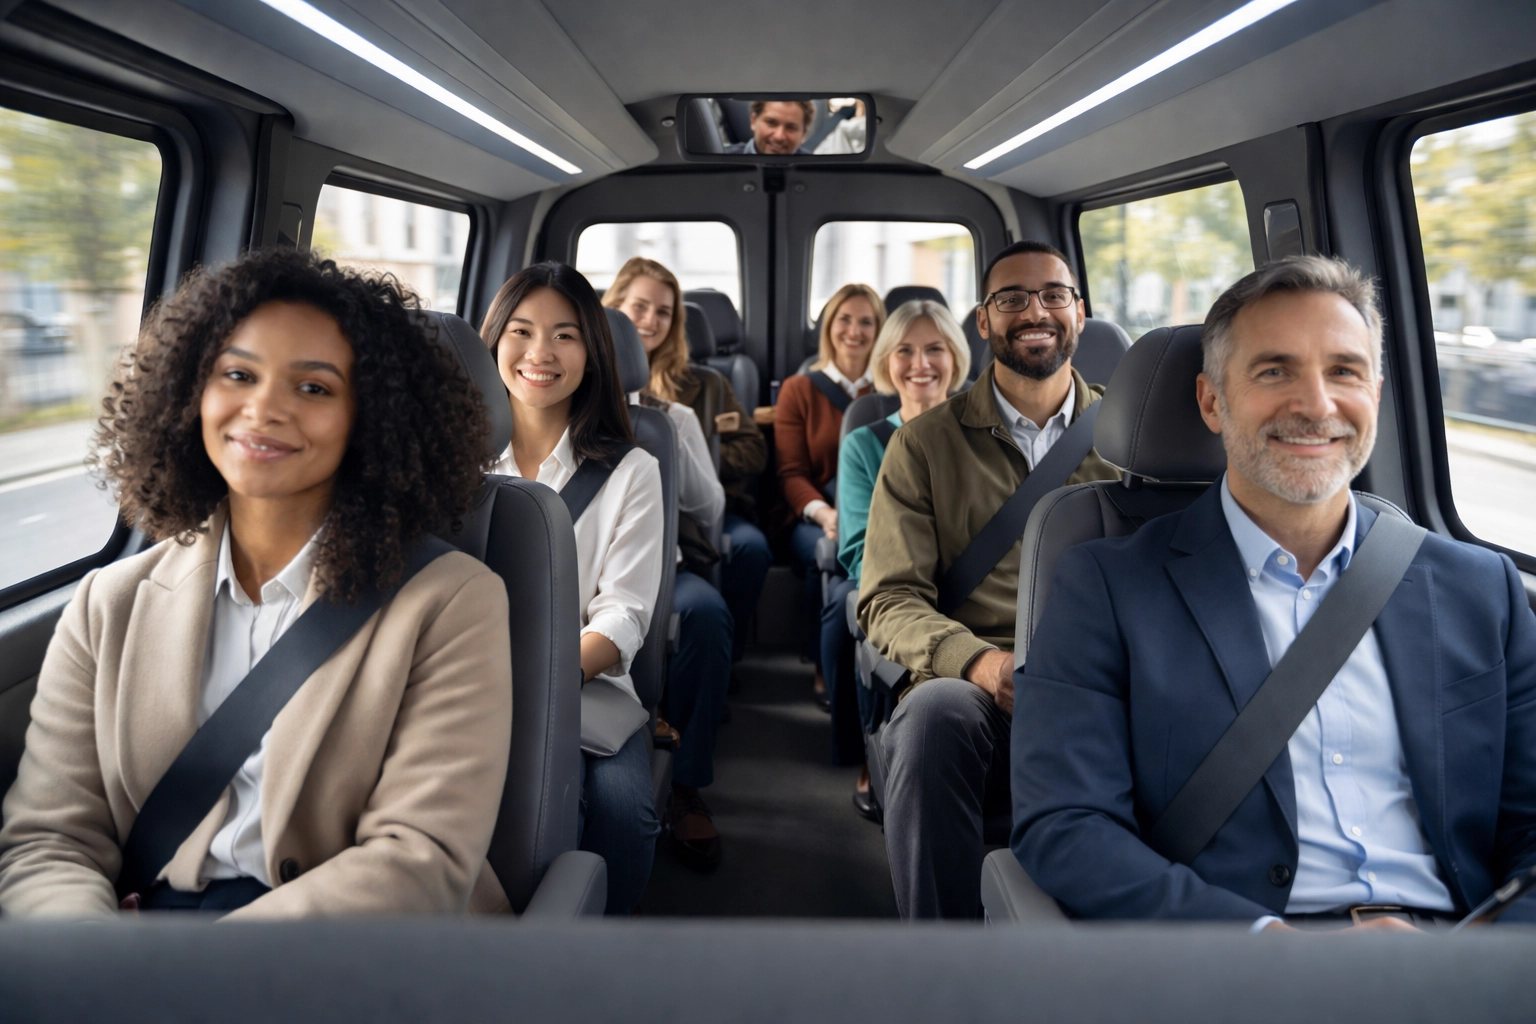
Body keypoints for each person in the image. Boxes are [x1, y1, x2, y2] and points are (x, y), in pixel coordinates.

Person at [1013, 255, 1536, 929]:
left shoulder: (1480, 589)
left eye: (1344, 371)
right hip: (1241, 965)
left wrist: (1490, 964)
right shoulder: (1107, 588)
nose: (1316, 405)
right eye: (1274, 371)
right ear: (1211, 401)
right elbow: (1067, 825)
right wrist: (1270, 952)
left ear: (1375, 392)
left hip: (1458, 955)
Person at [0, 248, 511, 918]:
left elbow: (418, 860)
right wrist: (96, 959)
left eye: (314, 387)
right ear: (192, 394)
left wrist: (189, 980)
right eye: (237, 374)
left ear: (371, 420)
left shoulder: (452, 601)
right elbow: (49, 839)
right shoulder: (107, 605)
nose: (263, 408)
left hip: (348, 957)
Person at [857, 241, 1120, 919]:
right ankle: (948, 970)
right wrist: (979, 663)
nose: (1034, 311)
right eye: (1011, 298)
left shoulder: (1129, 440)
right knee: (934, 716)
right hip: (974, 680)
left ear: (1079, 314)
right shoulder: (922, 446)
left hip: (1104, 680)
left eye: (1052, 295)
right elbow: (887, 598)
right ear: (983, 320)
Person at [482, 261, 665, 915]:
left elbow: (624, 612)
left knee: (624, 811)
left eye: (564, 335)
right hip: (464, 685)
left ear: (591, 352)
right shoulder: (457, 463)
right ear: (494, 340)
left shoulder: (632, 470)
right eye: (522, 331)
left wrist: (542, 678)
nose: (540, 354)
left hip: (583, 690)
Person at [827, 299, 970, 819]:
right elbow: (858, 545)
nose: (920, 364)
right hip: (898, 588)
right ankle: (877, 745)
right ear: (887, 360)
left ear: (955, 355)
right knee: (864, 609)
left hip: (976, 592)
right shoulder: (866, 441)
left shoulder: (982, 432)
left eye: (934, 349)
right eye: (905, 350)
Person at [602, 257, 771, 666]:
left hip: (689, 513)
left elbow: (752, 452)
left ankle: (727, 660)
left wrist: (699, 456)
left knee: (748, 549)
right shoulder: (578, 385)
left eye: (663, 312)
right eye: (639, 307)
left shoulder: (704, 386)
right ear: (615, 309)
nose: (651, 320)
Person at [777, 283, 883, 708]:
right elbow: (791, 474)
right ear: (829, 327)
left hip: (882, 510)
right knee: (829, 553)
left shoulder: (894, 390)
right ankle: (827, 660)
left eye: (866, 322)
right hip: (815, 512)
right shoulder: (799, 389)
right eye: (845, 319)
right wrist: (826, 515)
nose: (854, 331)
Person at [724, 100, 814, 155]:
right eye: (771, 123)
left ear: (804, 134)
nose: (779, 136)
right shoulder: (723, 162)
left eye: (791, 127)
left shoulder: (816, 172)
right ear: (753, 121)